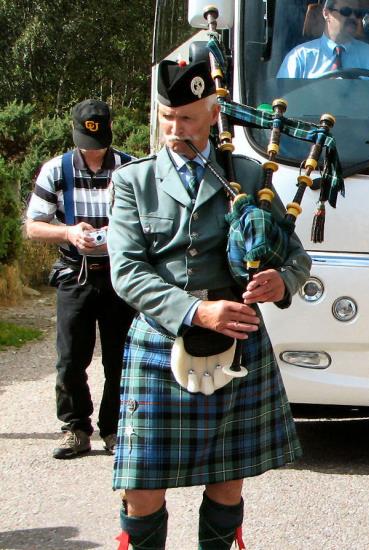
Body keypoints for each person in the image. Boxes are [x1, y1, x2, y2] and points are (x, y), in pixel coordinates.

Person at [107, 58, 311, 549]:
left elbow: (297, 257)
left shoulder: (246, 173)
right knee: (141, 486)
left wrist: (281, 283)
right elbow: (126, 272)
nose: (176, 130)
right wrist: (196, 312)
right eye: (168, 118)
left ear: (214, 114)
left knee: (227, 478)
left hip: (237, 337)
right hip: (162, 336)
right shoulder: (133, 181)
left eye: (189, 119)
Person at [24, 99, 136, 460]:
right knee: (71, 358)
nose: (94, 151)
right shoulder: (56, 170)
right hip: (76, 273)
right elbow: (32, 227)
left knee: (120, 358)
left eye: (99, 143)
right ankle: (75, 427)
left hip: (121, 275)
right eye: (87, 145)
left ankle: (115, 429)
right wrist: (70, 233)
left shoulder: (130, 167)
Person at [277, 0, 369, 80]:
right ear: (326, 13)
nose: (353, 17)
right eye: (346, 11)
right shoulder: (300, 58)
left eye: (358, 13)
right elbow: (280, 104)